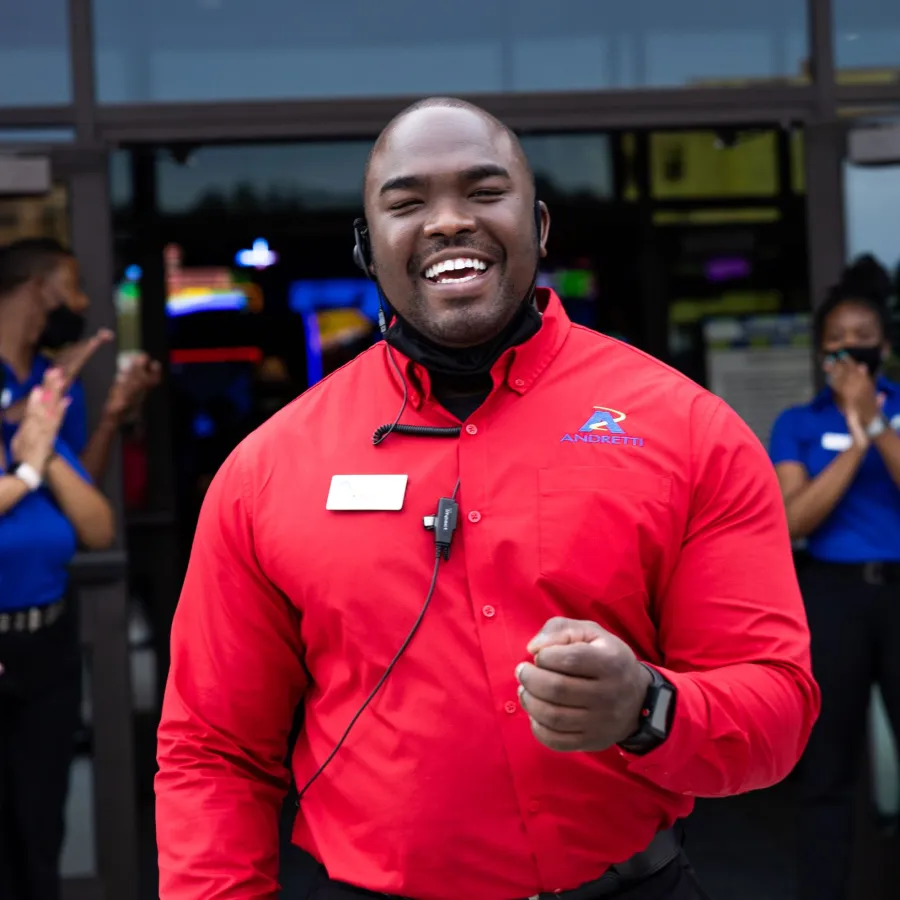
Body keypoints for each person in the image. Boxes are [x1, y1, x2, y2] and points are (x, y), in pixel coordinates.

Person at [156, 98, 820, 900]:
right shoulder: (266, 471)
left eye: (483, 191)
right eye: (407, 203)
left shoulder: (686, 430)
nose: (447, 223)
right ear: (368, 248)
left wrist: (650, 707)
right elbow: (212, 751)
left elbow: (777, 707)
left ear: (538, 225)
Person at [769, 256, 900, 900]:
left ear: (886, 346)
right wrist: (852, 440)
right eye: (837, 341)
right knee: (828, 770)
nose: (851, 350)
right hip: (832, 598)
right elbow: (795, 521)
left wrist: (876, 424)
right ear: (821, 352)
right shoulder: (798, 423)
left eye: (863, 338)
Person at [0, 248, 115, 900]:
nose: (74, 306)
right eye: (66, 290)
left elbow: (92, 522)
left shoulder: (44, 383)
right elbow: (28, 466)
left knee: (39, 820)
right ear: (36, 290)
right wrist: (26, 460)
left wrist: (68, 427)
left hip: (46, 633)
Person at [0, 238, 161, 484]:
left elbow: (84, 485)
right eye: (73, 287)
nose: (82, 303)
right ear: (38, 288)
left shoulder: (59, 377)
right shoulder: (58, 378)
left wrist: (112, 416)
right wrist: (48, 391)